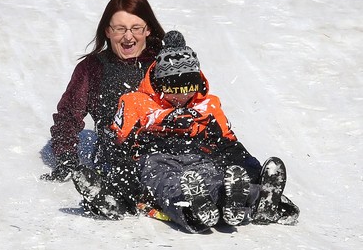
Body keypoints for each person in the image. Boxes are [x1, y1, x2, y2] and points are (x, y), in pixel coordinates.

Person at [72, 31, 299, 233]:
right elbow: (118, 146)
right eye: (173, 90)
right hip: (154, 160)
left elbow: (229, 146)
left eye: (188, 89)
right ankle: (192, 209)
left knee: (215, 178)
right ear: (159, 84)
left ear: (198, 84)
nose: (181, 97)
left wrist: (253, 171)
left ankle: (260, 200)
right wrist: (122, 184)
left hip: (198, 159)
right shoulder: (135, 103)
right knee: (168, 184)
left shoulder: (207, 106)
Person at [40, 0, 165, 182]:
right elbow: (68, 117)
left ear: (148, 29)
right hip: (114, 160)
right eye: (120, 29)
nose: (128, 37)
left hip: (167, 156)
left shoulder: (165, 64)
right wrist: (66, 158)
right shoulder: (93, 68)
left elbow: (197, 107)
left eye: (136, 28)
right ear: (107, 31)